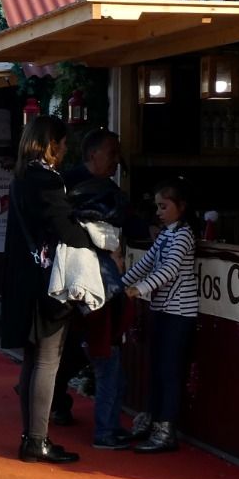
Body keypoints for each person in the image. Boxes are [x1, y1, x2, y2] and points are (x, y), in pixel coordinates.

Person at [3, 116, 95, 465]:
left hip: (25, 278)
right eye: (64, 143)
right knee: (46, 359)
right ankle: (37, 439)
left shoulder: (22, 177)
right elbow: (66, 229)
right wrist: (93, 238)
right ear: (52, 143)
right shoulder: (46, 180)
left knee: (31, 360)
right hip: (47, 282)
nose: (66, 150)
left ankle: (32, 435)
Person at [65, 128, 135, 449]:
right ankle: (105, 430)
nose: (116, 159)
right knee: (108, 361)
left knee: (99, 360)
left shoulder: (70, 189)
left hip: (85, 288)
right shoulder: (94, 193)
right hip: (98, 289)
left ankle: (98, 423)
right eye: (112, 152)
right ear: (93, 154)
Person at [122, 180, 200, 455]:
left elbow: (169, 269)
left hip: (179, 312)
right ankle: (153, 419)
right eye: (157, 206)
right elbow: (145, 263)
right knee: (156, 367)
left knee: (169, 371)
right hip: (162, 308)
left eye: (164, 206)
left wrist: (138, 289)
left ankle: (166, 429)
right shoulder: (167, 234)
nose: (159, 211)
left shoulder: (183, 236)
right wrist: (120, 285)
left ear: (181, 207)